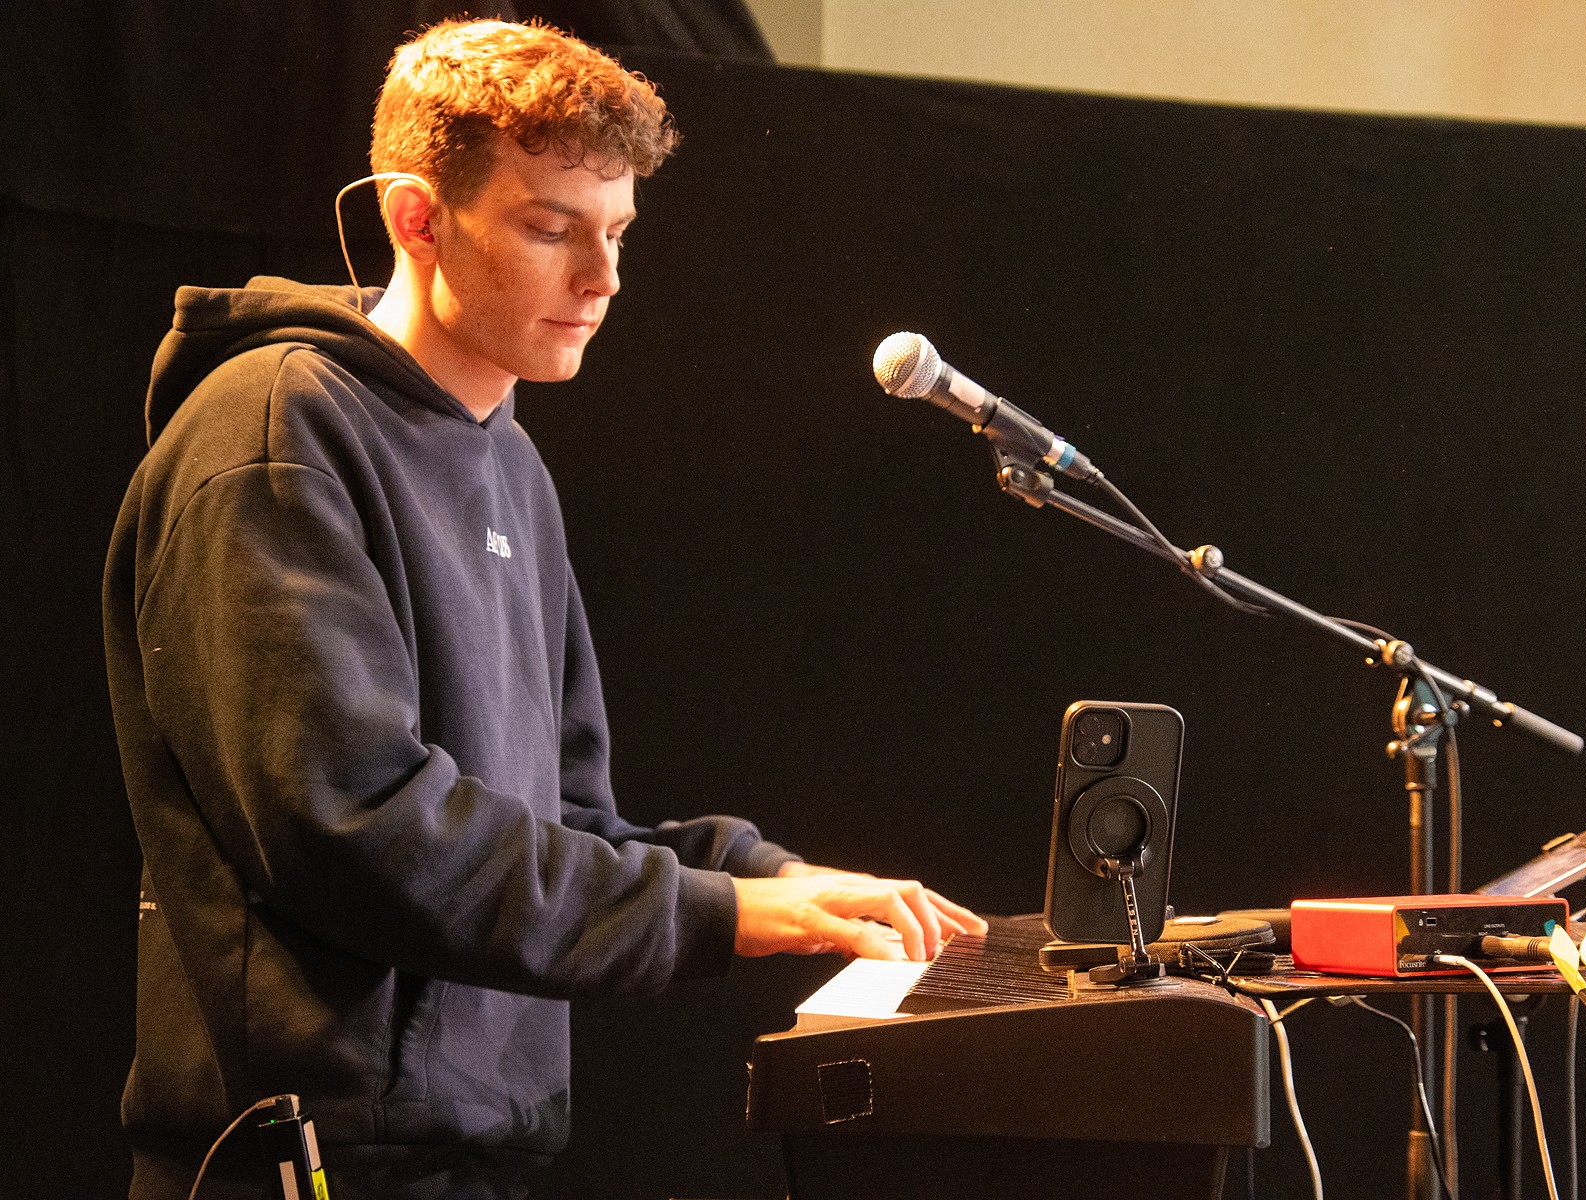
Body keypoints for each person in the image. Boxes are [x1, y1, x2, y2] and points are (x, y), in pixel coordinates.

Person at [102, 18, 983, 1200]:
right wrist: (719, 912)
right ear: (417, 219)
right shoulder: (274, 435)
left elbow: (562, 818)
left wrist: (771, 876)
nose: (603, 280)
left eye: (616, 233)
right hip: (311, 1157)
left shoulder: (510, 462)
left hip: (474, 1153)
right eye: (552, 229)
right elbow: (355, 826)